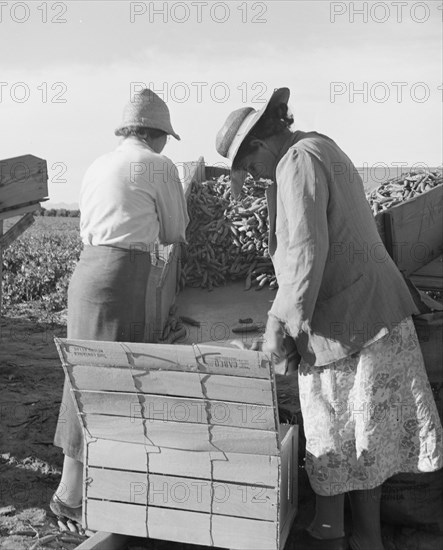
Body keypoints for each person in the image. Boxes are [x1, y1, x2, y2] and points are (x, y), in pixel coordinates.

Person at [215, 88, 443, 550]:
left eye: (250, 166)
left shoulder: (295, 162)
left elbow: (304, 255)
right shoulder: (321, 145)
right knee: (365, 445)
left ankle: (334, 536)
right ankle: (362, 537)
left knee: (335, 441)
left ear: (261, 143)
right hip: (371, 318)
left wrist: (278, 331)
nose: (254, 177)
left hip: (350, 327)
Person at [50, 88, 189, 523]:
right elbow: (174, 231)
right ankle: (71, 495)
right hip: (122, 278)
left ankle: (83, 488)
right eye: (166, 135)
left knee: (84, 377)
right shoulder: (158, 165)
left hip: (88, 272)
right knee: (112, 381)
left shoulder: (98, 163)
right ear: (156, 134)